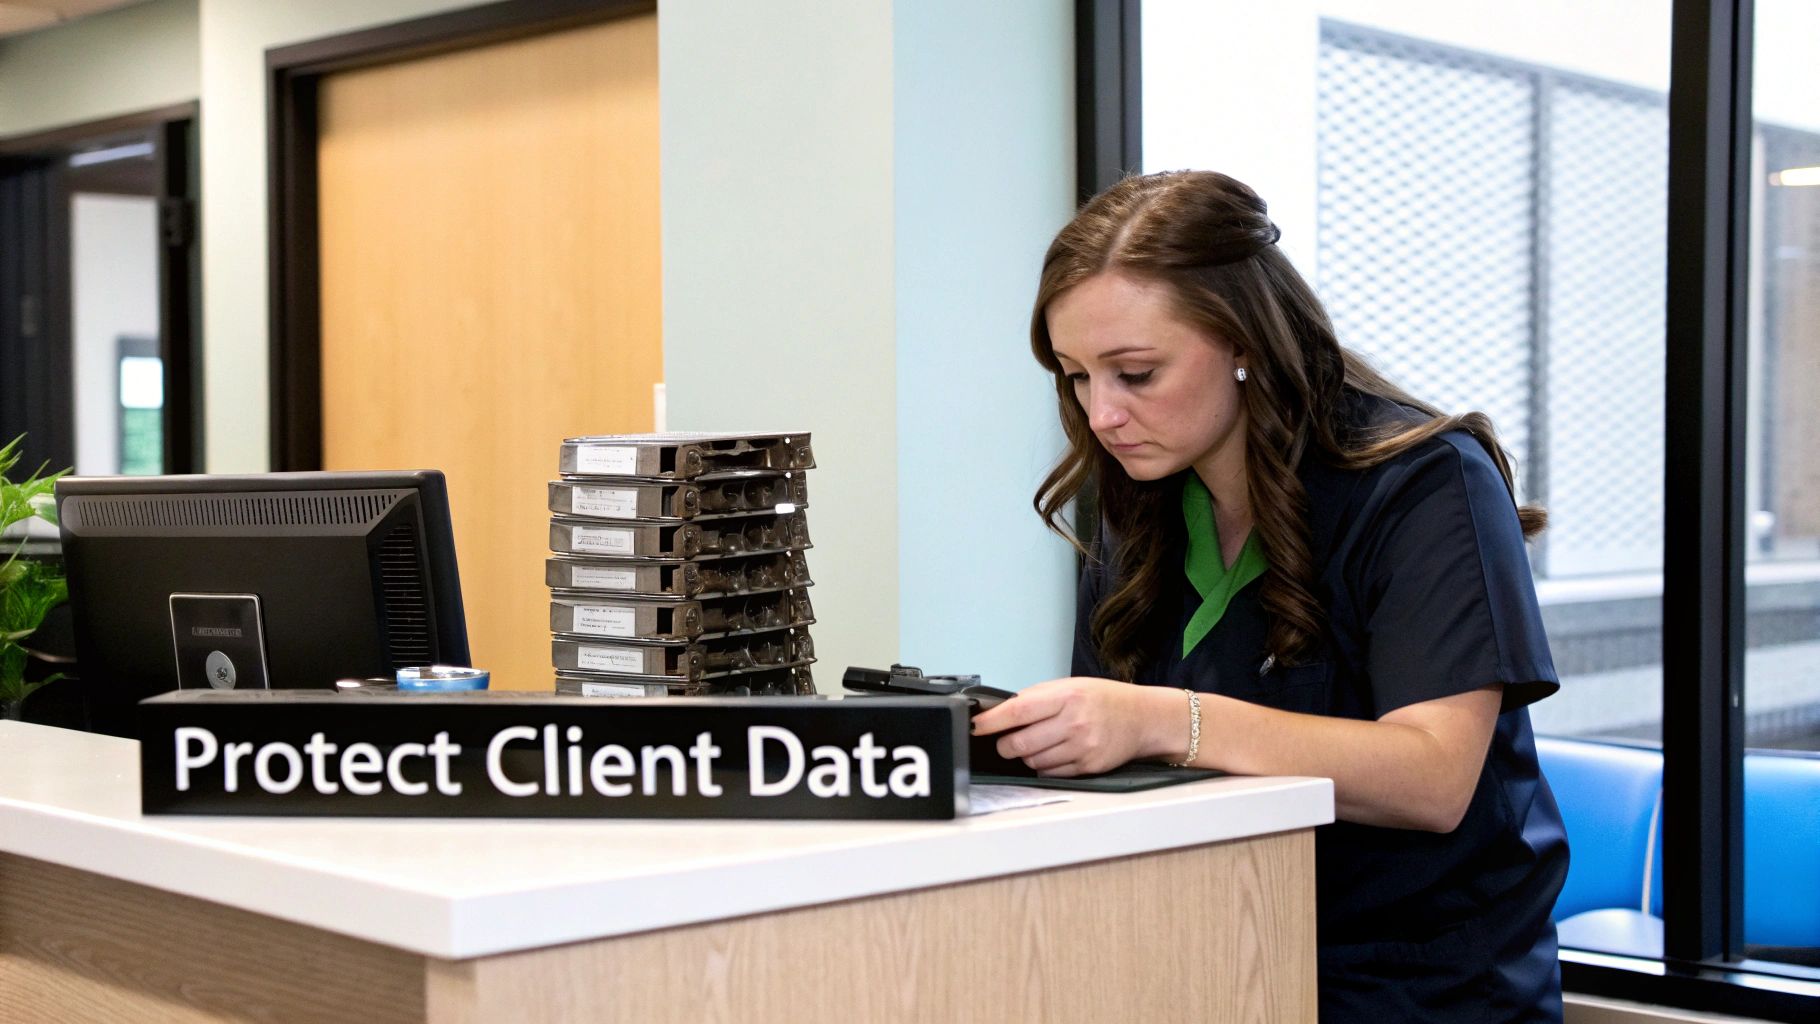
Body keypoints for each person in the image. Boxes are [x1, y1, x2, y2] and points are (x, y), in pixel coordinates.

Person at [971, 170, 1569, 1023]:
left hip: (1417, 987)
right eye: (1075, 377)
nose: (1101, 414)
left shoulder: (1426, 483)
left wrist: (1160, 719)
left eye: (1136, 373)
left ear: (1246, 340)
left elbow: (1432, 778)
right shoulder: (1141, 497)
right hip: (1213, 954)